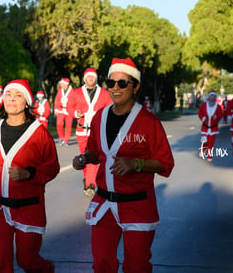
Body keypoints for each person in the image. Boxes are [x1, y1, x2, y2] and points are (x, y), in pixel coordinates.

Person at [72, 57, 174, 273]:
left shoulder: (148, 121)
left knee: (136, 267)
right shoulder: (100, 116)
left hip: (137, 206)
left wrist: (136, 164)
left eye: (122, 83)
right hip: (103, 204)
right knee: (101, 265)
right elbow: (94, 150)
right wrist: (84, 158)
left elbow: (166, 163)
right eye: (111, 83)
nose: (115, 88)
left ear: (135, 87)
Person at [0, 79, 60, 273]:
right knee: (2, 262)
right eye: (8, 95)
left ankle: (47, 269)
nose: (11, 100)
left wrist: (29, 173)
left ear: (26, 102)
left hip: (29, 208)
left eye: (18, 96)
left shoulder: (39, 133)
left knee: (27, 261)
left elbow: (52, 168)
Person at [68, 68, 112, 196]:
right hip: (81, 130)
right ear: (84, 78)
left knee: (91, 156)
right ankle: (87, 178)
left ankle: (90, 184)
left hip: (97, 131)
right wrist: (76, 113)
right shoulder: (76, 93)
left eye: (93, 76)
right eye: (88, 76)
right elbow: (70, 107)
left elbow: (110, 108)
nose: (91, 78)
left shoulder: (104, 93)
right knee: (83, 157)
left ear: (96, 78)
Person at [197, 90, 223, 161]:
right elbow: (200, 113)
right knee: (204, 142)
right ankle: (203, 151)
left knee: (211, 143)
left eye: (214, 96)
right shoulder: (204, 105)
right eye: (211, 96)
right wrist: (203, 118)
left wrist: (216, 117)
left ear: (215, 98)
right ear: (209, 97)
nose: (212, 98)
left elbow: (220, 115)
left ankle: (209, 155)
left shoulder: (218, 107)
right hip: (205, 127)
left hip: (213, 128)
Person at [54, 78, 74, 146]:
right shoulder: (60, 90)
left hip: (69, 111)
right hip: (61, 109)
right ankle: (61, 138)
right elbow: (57, 99)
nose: (60, 85)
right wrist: (56, 109)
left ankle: (66, 140)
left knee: (68, 126)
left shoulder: (72, 91)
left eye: (62, 84)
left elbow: (74, 101)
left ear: (66, 84)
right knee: (59, 123)